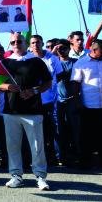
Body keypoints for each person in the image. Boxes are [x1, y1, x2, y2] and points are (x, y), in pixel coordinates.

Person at [0, 32, 52, 190]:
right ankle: (16, 176)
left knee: (37, 147)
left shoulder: (36, 61)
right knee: (12, 146)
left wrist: (34, 91)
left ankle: (40, 177)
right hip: (11, 111)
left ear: (26, 43)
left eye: (19, 41)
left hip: (33, 111)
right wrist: (8, 87)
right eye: (13, 42)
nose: (16, 44)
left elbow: (48, 82)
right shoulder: (4, 62)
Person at [71, 38, 102, 168]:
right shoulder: (81, 63)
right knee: (86, 135)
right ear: (93, 49)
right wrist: (77, 102)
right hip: (88, 106)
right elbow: (75, 84)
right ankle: (85, 161)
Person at [30, 35, 63, 165]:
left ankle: (53, 157)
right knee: (36, 132)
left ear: (42, 43)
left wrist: (50, 88)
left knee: (51, 131)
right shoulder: (27, 59)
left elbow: (59, 76)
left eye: (38, 42)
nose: (35, 45)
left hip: (49, 101)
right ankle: (37, 158)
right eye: (33, 43)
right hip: (33, 101)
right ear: (30, 45)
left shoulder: (52, 58)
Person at [51, 39, 81, 167]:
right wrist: (53, 54)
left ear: (70, 48)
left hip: (73, 101)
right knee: (59, 131)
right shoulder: (53, 62)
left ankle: (78, 156)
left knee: (76, 129)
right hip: (57, 102)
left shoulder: (76, 63)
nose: (62, 50)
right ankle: (60, 156)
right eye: (60, 48)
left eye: (65, 48)